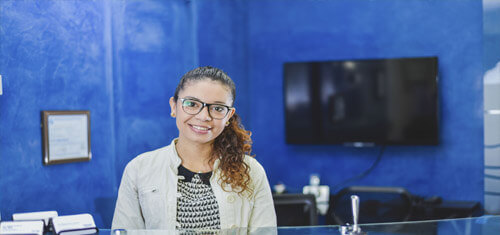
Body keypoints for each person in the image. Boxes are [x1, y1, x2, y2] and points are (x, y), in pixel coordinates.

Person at [112, 66, 277, 231]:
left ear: (228, 116)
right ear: (173, 106)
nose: (204, 116)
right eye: (191, 104)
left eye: (218, 108)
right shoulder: (139, 169)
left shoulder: (251, 171)